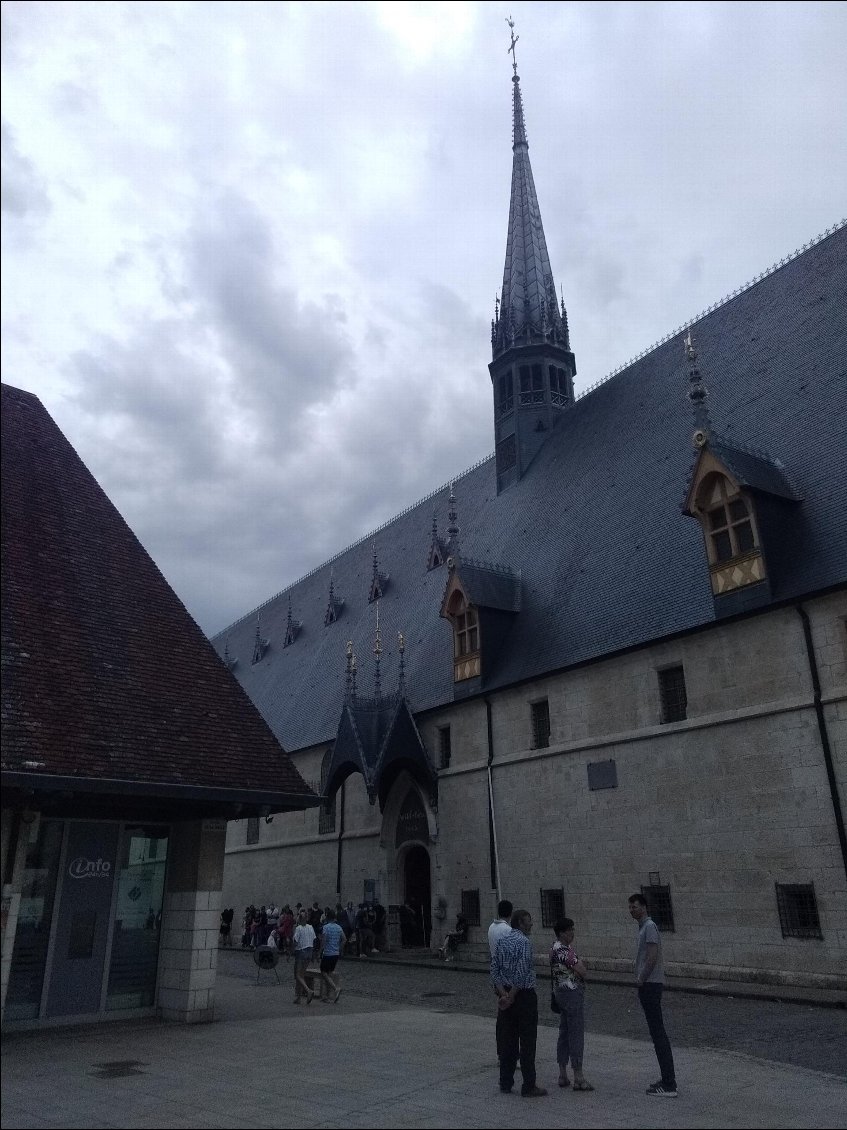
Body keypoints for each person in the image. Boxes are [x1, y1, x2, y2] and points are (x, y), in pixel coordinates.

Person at [490, 909, 547, 1098]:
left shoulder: (501, 941)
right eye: (528, 922)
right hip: (523, 996)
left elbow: (494, 969)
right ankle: (529, 1085)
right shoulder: (524, 942)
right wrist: (512, 995)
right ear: (521, 924)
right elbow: (522, 971)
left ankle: (505, 1081)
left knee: (508, 1040)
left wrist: (503, 994)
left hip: (505, 994)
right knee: (528, 1041)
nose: (531, 924)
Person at [629, 893, 677, 1097]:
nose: (632, 909)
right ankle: (667, 1080)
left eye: (635, 906)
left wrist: (641, 978)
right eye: (630, 907)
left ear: (645, 907)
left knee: (658, 1034)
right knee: (657, 1033)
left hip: (650, 985)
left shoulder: (649, 927)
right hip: (650, 984)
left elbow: (652, 956)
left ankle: (669, 1084)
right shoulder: (644, 927)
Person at [550, 917, 592, 1091]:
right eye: (570, 930)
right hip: (572, 993)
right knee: (575, 1033)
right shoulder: (566, 951)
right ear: (562, 933)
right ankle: (579, 1076)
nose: (572, 933)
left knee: (564, 1032)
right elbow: (582, 969)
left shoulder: (553, 948)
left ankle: (562, 1073)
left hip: (559, 993)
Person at [488, 899, 513, 1063]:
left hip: (497, 977)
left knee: (502, 1017)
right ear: (510, 913)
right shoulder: (508, 930)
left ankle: (500, 1053)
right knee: (509, 1018)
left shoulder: (491, 927)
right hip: (507, 978)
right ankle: (508, 1054)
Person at [318, 908, 346, 1003]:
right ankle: (326, 996)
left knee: (324, 973)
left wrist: (319, 952)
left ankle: (335, 988)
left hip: (328, 953)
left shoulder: (326, 927)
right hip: (335, 954)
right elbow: (344, 939)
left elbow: (323, 941)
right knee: (329, 973)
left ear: (327, 917)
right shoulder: (339, 927)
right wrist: (339, 948)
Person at [292, 907, 317, 1004]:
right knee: (301, 975)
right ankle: (298, 997)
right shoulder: (310, 927)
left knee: (298, 975)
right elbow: (314, 941)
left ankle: (308, 990)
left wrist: (290, 953)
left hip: (301, 952)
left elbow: (295, 942)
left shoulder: (298, 928)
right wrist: (314, 955)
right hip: (309, 952)